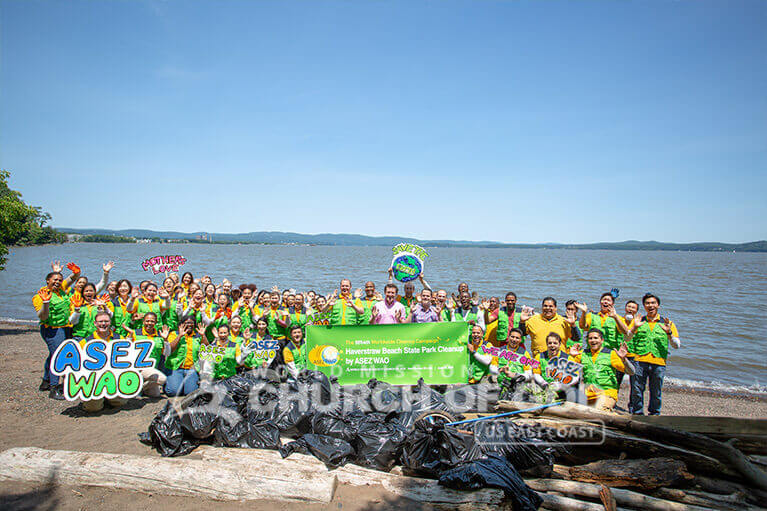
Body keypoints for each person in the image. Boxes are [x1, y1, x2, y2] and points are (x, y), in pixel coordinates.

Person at [623, 294, 680, 415]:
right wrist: (634, 328)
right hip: (639, 360)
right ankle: (637, 413)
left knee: (656, 391)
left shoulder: (667, 323)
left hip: (658, 362)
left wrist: (669, 333)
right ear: (644, 306)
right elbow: (626, 338)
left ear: (658, 305)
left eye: (653, 303)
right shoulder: (638, 321)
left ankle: (654, 414)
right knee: (637, 390)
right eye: (647, 303)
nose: (650, 305)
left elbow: (676, 345)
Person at [33, 264, 80, 399]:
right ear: (47, 281)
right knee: (58, 356)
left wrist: (76, 272)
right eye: (55, 280)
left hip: (65, 328)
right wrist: (46, 303)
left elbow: (73, 277)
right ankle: (54, 387)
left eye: (60, 280)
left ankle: (46, 382)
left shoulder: (62, 290)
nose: (58, 282)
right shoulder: (40, 296)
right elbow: (42, 316)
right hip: (52, 330)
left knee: (53, 354)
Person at [571, 328, 635, 412]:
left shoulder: (611, 354)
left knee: (599, 411)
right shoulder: (583, 354)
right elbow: (568, 371)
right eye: (590, 338)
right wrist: (571, 356)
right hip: (588, 394)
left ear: (602, 340)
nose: (593, 340)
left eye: (595, 338)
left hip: (606, 393)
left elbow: (631, 372)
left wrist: (624, 359)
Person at [80, 312, 127, 412]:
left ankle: (107, 397)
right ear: (95, 323)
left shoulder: (120, 339)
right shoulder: (85, 342)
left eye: (106, 321)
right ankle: (92, 398)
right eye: (100, 321)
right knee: (93, 408)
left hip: (113, 378)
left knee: (121, 403)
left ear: (110, 323)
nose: (103, 324)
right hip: (94, 380)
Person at [132, 312, 170, 397]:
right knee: (162, 379)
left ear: (156, 323)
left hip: (152, 370)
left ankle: (141, 387)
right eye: (147, 321)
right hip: (138, 369)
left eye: (152, 321)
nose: (149, 323)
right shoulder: (135, 333)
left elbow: (167, 353)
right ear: (143, 322)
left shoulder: (160, 336)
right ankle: (136, 386)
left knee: (155, 394)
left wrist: (166, 340)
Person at [164, 317, 201, 396]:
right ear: (181, 324)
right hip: (176, 368)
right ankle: (168, 382)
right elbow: (169, 350)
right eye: (187, 323)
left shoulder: (197, 336)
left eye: (191, 323)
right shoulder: (174, 334)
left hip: (191, 369)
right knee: (173, 392)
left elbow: (206, 349)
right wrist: (180, 336)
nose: (189, 325)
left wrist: (203, 335)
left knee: (190, 393)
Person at [497, 328, 534, 394]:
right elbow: (491, 370)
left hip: (517, 388)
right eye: (512, 337)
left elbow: (529, 373)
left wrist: (516, 376)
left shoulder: (525, 354)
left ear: (520, 340)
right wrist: (501, 369)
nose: (514, 340)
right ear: (508, 337)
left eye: (517, 338)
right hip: (499, 386)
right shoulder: (499, 351)